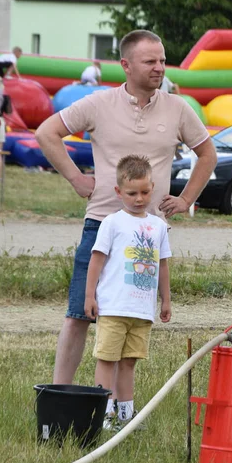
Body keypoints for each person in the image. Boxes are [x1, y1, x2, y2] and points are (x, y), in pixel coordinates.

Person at [35, 28, 217, 385]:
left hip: (149, 233)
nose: (160, 68)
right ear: (126, 65)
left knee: (129, 318)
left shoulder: (178, 108)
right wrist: (76, 178)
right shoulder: (97, 103)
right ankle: (59, 395)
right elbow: (46, 132)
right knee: (78, 314)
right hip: (102, 223)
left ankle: (119, 408)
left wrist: (185, 199)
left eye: (163, 61)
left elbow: (207, 154)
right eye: (150, 61)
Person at [85, 154, 171, 430]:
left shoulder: (158, 226)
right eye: (132, 193)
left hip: (141, 310)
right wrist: (90, 296)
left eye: (145, 192)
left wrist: (165, 299)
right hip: (113, 307)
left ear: (153, 188)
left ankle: (126, 414)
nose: (139, 198)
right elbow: (96, 260)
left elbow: (162, 263)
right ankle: (104, 412)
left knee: (130, 361)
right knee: (107, 359)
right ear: (119, 191)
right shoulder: (112, 222)